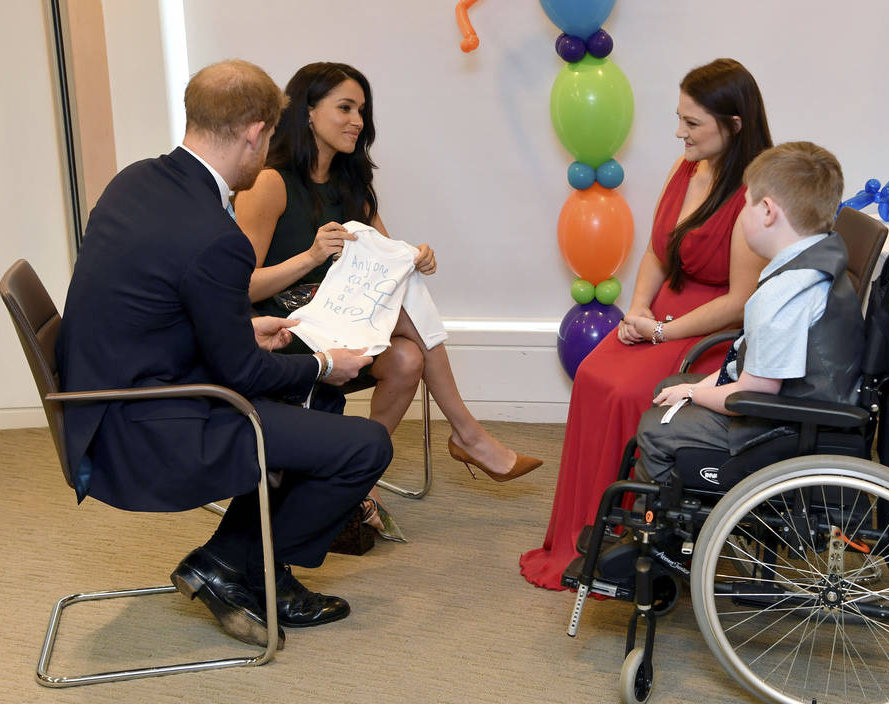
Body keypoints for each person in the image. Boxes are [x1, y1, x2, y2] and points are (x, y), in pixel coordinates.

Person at [55, 59, 393, 649]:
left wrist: (248, 325)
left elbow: (160, 301)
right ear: (256, 132)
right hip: (151, 425)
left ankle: (243, 566)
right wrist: (321, 361)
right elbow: (240, 371)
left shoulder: (138, 179)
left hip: (104, 403)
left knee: (314, 404)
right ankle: (240, 568)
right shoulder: (215, 237)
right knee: (364, 442)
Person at [234, 62, 541, 538]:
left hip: (343, 322)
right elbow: (240, 287)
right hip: (280, 329)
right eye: (345, 108)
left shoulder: (351, 183)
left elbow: (386, 267)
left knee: (406, 358)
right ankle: (468, 434)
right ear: (308, 112)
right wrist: (310, 256)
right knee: (401, 316)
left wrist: (414, 258)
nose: (357, 120)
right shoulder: (269, 183)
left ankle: (356, 477)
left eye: (362, 110)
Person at [520, 58, 773, 590]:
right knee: (592, 373)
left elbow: (740, 300)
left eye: (692, 123)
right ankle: (582, 533)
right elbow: (659, 251)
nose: (679, 132)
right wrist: (637, 311)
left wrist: (662, 332)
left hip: (705, 329)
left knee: (623, 389)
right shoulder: (686, 169)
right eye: (679, 118)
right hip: (664, 314)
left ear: (733, 124)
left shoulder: (753, 194)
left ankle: (633, 540)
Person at [636, 141, 863, 485]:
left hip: (781, 427)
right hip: (812, 400)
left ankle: (659, 527)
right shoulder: (822, 254)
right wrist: (691, 389)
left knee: (654, 429)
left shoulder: (782, 294)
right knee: (672, 386)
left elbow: (752, 395)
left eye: (745, 205)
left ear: (768, 211)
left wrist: (695, 393)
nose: (741, 214)